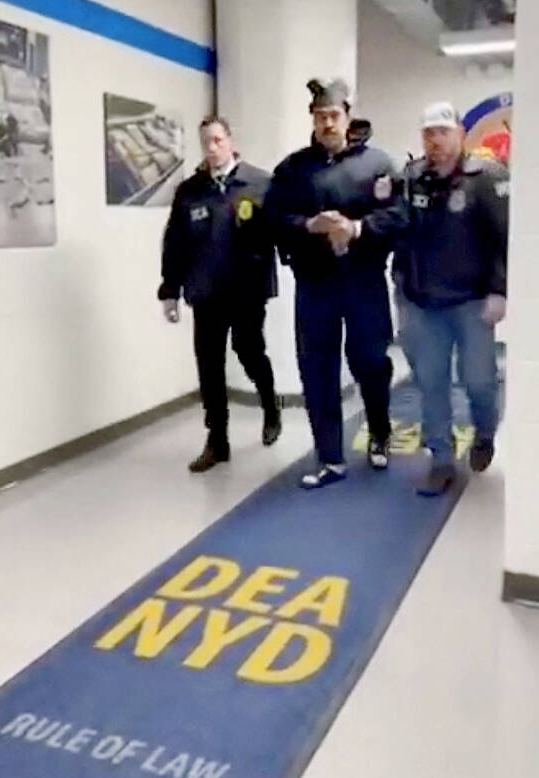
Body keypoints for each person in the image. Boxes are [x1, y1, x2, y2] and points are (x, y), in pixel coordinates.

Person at [266, 79, 404, 489]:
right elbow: (272, 219)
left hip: (364, 282)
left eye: (333, 115)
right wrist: (309, 225)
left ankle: (379, 432)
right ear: (312, 119)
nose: (327, 123)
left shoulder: (378, 164)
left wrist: (357, 229)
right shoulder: (293, 169)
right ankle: (330, 458)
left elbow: (398, 217)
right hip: (315, 285)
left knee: (370, 362)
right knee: (317, 370)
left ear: (348, 116)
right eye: (320, 117)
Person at [395, 101, 509, 496]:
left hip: (473, 302)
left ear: (460, 134)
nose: (435, 141)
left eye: (443, 132)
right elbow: (399, 230)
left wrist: (499, 291)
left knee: (478, 381)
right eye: (428, 133)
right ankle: (440, 458)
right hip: (424, 303)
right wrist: (402, 285)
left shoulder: (486, 178)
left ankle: (485, 433)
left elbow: (503, 239)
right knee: (431, 383)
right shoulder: (412, 178)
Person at [158, 115, 281, 472]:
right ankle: (217, 440)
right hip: (206, 291)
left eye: (217, 140)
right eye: (206, 142)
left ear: (230, 140)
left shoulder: (260, 183)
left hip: (247, 290)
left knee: (249, 351)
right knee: (209, 365)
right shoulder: (190, 190)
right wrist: (170, 290)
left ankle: (270, 405)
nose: (212, 148)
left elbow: (280, 231)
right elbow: (175, 243)